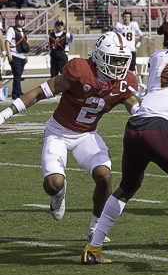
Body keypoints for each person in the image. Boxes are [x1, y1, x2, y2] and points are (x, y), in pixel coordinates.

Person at [83, 12, 168, 265]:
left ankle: (93, 248)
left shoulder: (159, 55)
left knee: (126, 189)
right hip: (162, 131)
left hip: (134, 128)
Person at [0, 32, 138, 244]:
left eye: (122, 60)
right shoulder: (80, 71)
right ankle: (59, 193)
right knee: (53, 184)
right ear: (99, 57)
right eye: (114, 60)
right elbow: (38, 92)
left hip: (86, 135)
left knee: (104, 176)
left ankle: (96, 228)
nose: (119, 65)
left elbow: (132, 104)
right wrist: (5, 114)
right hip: (58, 132)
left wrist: (143, 113)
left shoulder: (124, 82)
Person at [113, 11, 144, 83]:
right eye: (124, 17)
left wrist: (137, 47)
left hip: (131, 50)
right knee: (121, 67)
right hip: (122, 51)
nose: (126, 18)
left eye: (127, 17)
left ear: (130, 18)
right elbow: (113, 34)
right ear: (122, 18)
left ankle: (131, 82)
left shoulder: (133, 25)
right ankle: (122, 82)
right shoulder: (119, 25)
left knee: (132, 69)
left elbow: (141, 36)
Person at [5, 13, 29, 99]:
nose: (21, 21)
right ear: (16, 21)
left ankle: (15, 93)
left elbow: (25, 44)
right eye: (19, 19)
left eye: (23, 19)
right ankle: (18, 92)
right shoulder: (11, 29)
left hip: (22, 56)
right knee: (17, 74)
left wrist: (26, 55)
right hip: (14, 55)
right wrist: (9, 54)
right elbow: (7, 41)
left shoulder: (24, 31)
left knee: (18, 75)